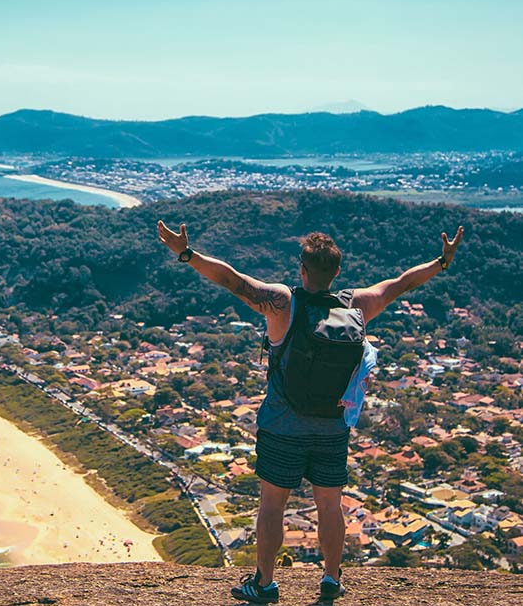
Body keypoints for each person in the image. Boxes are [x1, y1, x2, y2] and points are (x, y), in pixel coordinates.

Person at [157, 221, 463, 604]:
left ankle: (265, 584)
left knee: (272, 505)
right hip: (333, 427)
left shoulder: (283, 302)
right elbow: (402, 283)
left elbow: (232, 280)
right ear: (337, 272)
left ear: (302, 269)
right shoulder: (357, 305)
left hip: (282, 424)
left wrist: (186, 254)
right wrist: (443, 260)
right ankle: (331, 579)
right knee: (330, 506)